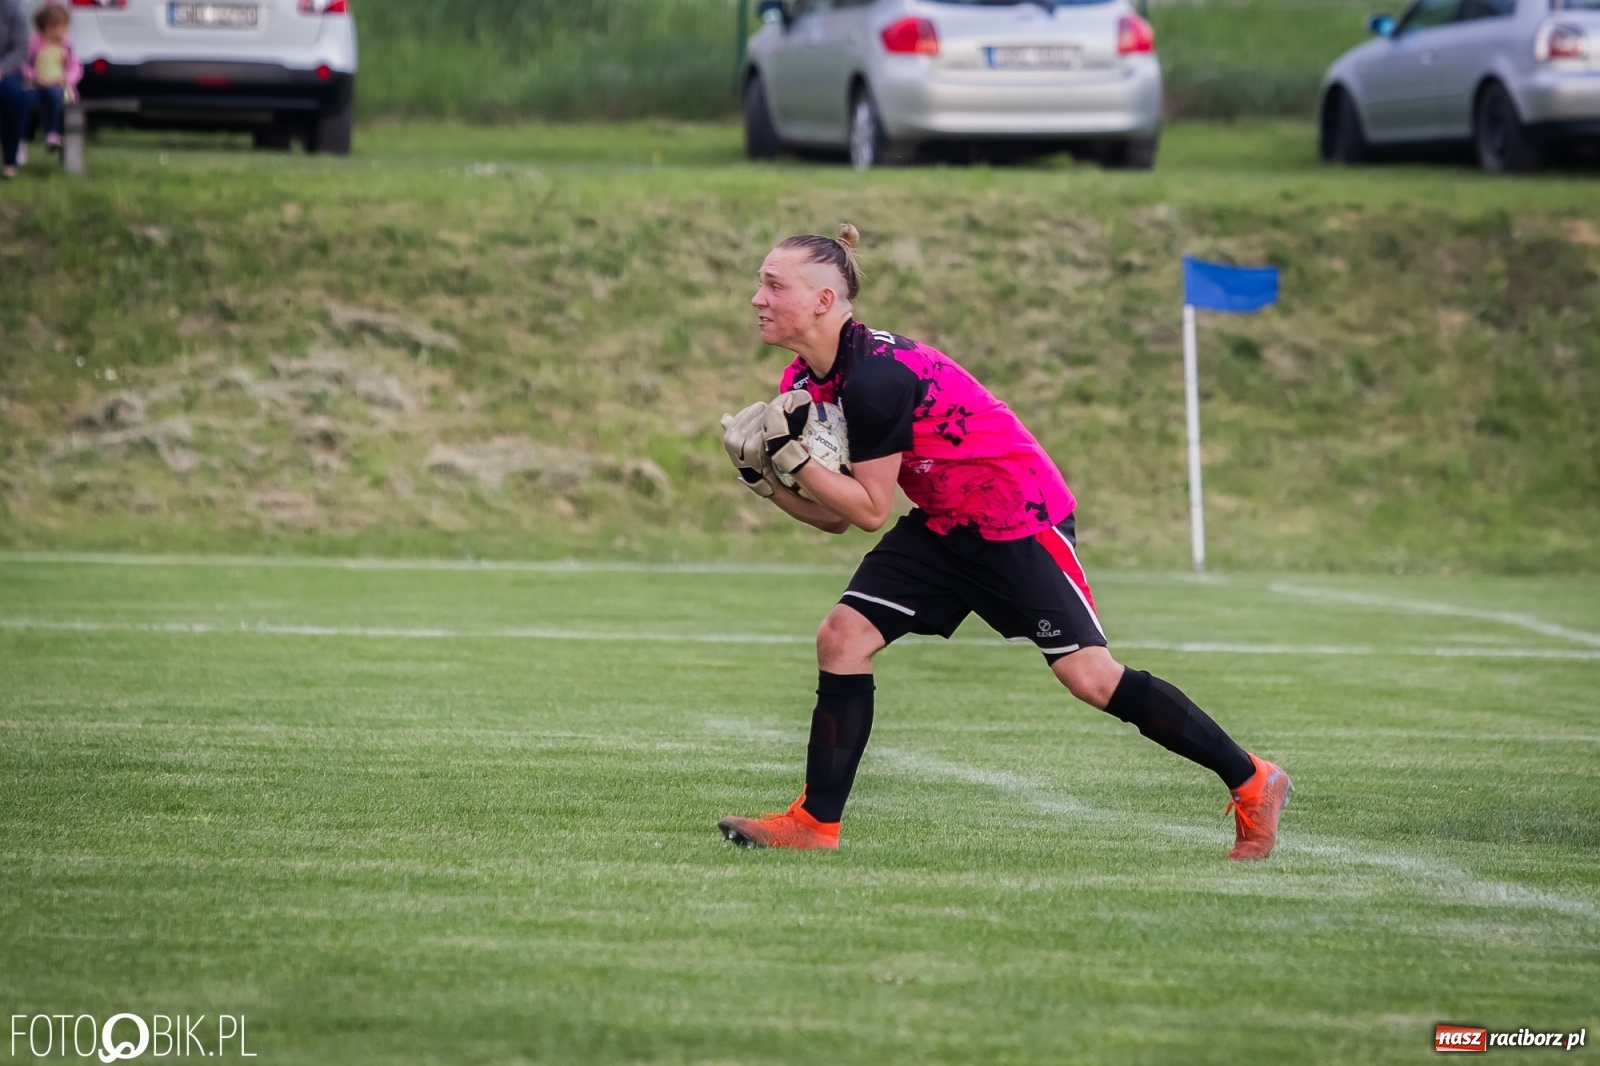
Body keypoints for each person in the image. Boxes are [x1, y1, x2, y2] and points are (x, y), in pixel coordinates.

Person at [716, 224, 1292, 861]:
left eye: (774, 284)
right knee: (842, 637)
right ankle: (813, 824)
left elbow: (872, 510)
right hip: (943, 524)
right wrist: (766, 482)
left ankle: (1252, 780)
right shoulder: (808, 379)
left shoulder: (875, 377)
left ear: (824, 300)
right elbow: (836, 516)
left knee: (1091, 678)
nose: (757, 298)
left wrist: (794, 460)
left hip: (1015, 516)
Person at [25, 3, 80, 154]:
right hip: (36, 85)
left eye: (61, 27)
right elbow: (24, 65)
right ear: (43, 27)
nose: (57, 32)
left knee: (55, 97)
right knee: (25, 101)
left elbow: (75, 67)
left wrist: (66, 79)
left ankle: (53, 133)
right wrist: (35, 77)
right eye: (53, 27)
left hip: (58, 86)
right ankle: (22, 138)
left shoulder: (67, 45)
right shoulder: (34, 43)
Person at [0, 0, 30, 179]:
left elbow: (20, 49)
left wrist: (2, 68)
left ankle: (10, 161)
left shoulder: (11, 6)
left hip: (5, 70)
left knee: (12, 94)